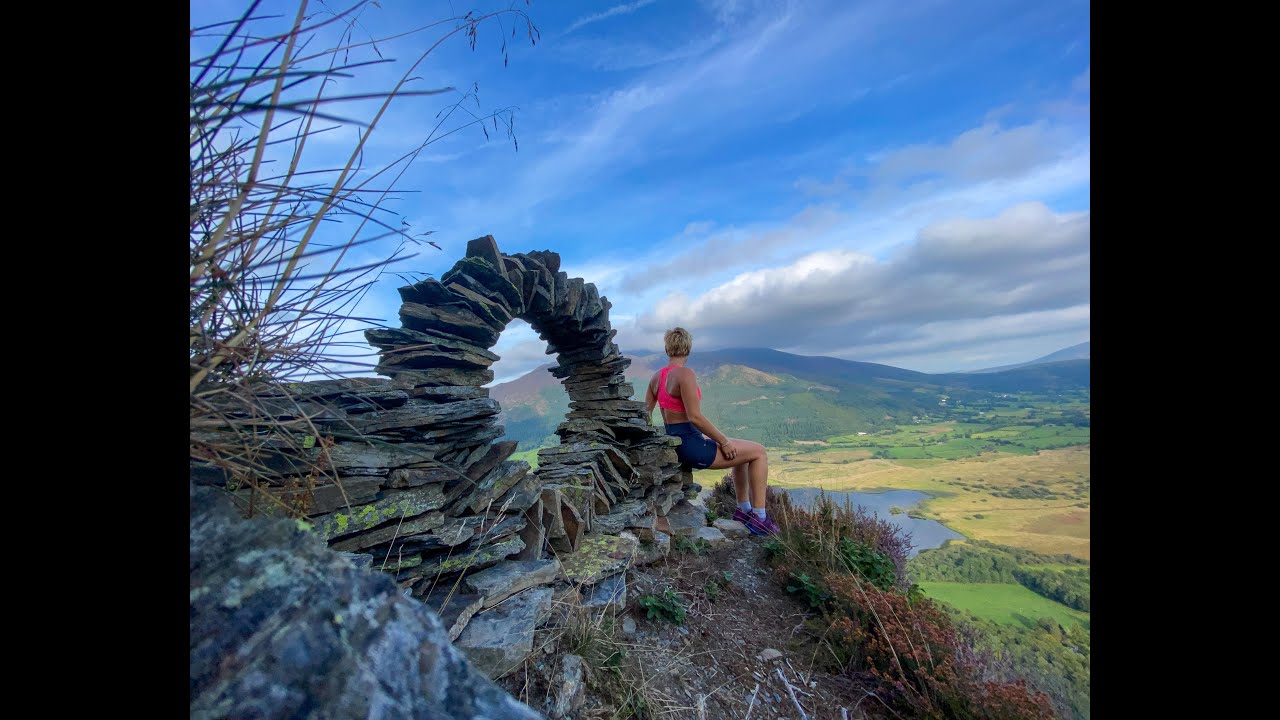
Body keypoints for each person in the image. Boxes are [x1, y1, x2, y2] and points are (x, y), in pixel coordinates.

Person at [644, 327, 780, 536]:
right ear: (688, 348)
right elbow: (695, 417)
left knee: (743, 453)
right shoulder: (685, 374)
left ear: (667, 348)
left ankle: (744, 511)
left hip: (679, 442)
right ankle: (760, 518)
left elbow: (645, 414)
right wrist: (723, 441)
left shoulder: (656, 377)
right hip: (692, 446)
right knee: (759, 452)